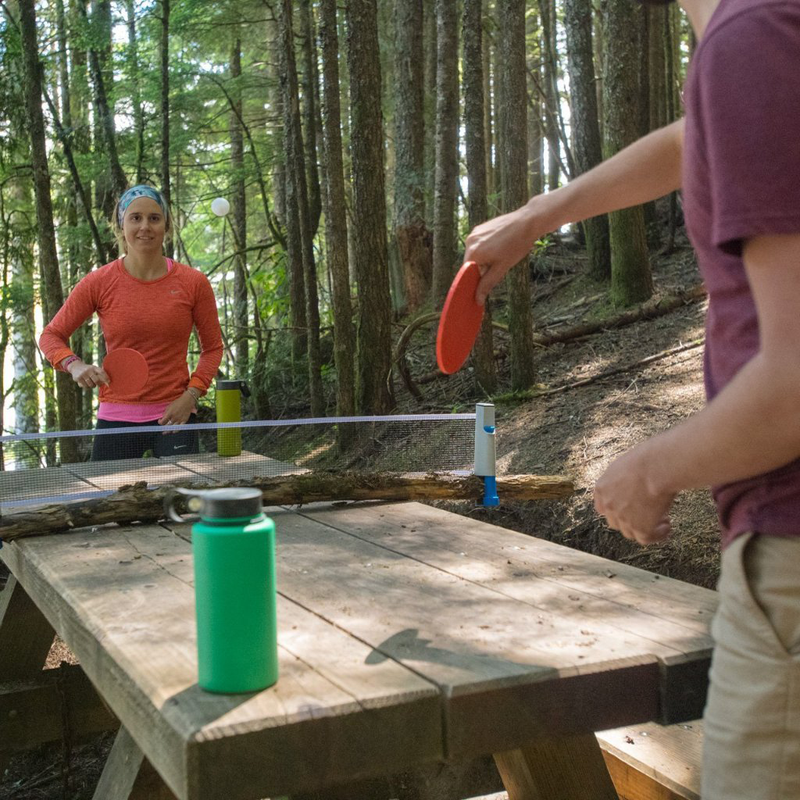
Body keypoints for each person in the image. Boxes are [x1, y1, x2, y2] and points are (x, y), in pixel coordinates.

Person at [463, 0, 800, 796]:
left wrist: (651, 470)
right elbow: (705, 139)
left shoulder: (754, 32)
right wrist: (540, 215)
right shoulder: (765, 39)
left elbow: (792, 384)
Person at [40, 185, 224, 461]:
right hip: (116, 417)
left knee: (181, 501)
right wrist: (73, 364)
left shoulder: (193, 283)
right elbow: (51, 335)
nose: (145, 227)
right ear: (121, 225)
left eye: (154, 218)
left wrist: (191, 397)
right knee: (107, 502)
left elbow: (213, 348)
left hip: (175, 417)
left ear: (166, 225)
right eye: (135, 218)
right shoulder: (99, 282)